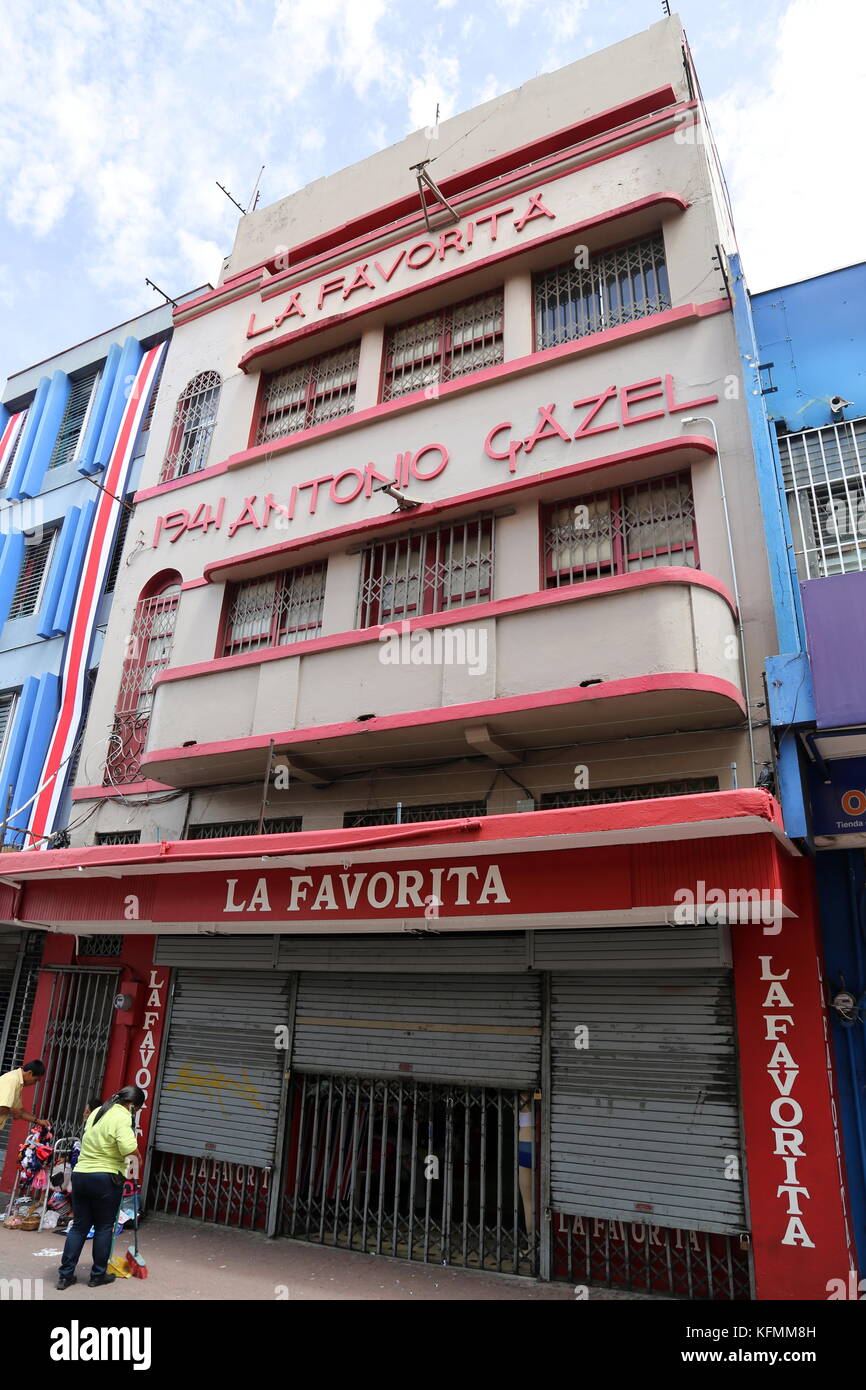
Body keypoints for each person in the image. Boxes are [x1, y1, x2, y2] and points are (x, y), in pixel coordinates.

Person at [56, 1085, 144, 1291]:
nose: (136, 1113)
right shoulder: (122, 1116)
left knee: (79, 1226)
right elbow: (127, 1149)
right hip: (105, 1178)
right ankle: (97, 1275)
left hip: (81, 1175)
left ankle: (65, 1276)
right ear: (131, 1106)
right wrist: (137, 1160)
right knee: (104, 1227)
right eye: (137, 1109)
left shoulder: (98, 1111)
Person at [0, 1059, 46, 1131]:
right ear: (30, 1073)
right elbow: (2, 1108)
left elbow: (20, 1112)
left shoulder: (18, 1081)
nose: (34, 1083)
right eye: (35, 1080)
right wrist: (14, 1112)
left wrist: (38, 1121)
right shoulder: (13, 1080)